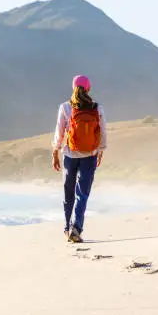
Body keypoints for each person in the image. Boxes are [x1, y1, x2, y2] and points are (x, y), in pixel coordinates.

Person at [51, 75, 107, 243]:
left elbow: (59, 133)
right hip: (90, 155)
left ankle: (68, 228)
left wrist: (55, 152)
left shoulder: (65, 107)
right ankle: (77, 228)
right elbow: (103, 132)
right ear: (88, 88)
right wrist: (101, 151)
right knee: (82, 194)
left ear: (73, 88)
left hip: (69, 155)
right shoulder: (97, 108)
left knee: (68, 193)